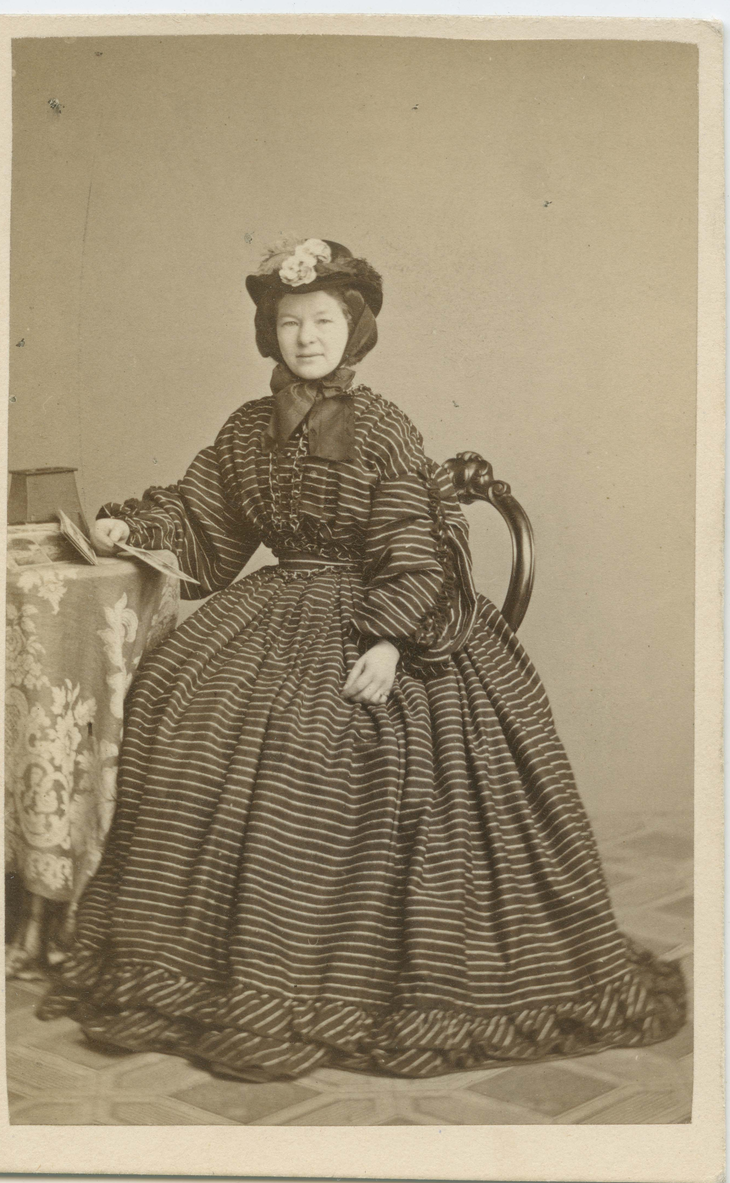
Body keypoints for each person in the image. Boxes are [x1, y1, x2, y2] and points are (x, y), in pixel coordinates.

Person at [39, 238, 685, 1081]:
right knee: (174, 690)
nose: (306, 338)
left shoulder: (381, 425)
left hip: (382, 609)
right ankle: (208, 955)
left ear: (353, 330)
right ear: (269, 333)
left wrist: (387, 640)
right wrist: (137, 527)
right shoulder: (246, 428)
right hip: (276, 602)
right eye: (289, 323)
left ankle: (342, 965)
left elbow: (416, 541)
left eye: (322, 321)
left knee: (329, 734)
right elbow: (206, 524)